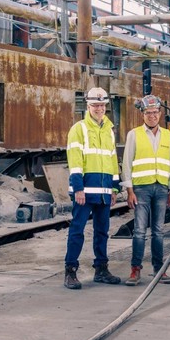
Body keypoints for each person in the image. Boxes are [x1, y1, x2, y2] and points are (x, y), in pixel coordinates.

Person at [64, 87, 122, 290]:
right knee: (77, 230)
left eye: (102, 105)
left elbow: (112, 159)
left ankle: (101, 269)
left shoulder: (109, 130)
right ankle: (70, 271)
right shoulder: (78, 129)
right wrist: (78, 188)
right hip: (85, 191)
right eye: (95, 105)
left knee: (102, 232)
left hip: (105, 190)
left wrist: (115, 188)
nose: (99, 108)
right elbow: (75, 160)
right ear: (88, 106)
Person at [121, 94, 170, 286]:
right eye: (148, 113)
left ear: (160, 114)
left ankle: (159, 269)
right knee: (139, 231)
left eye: (155, 112)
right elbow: (126, 163)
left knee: (159, 231)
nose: (152, 116)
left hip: (161, 188)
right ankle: (135, 269)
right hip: (141, 189)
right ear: (142, 114)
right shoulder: (134, 134)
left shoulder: (168, 136)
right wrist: (129, 190)